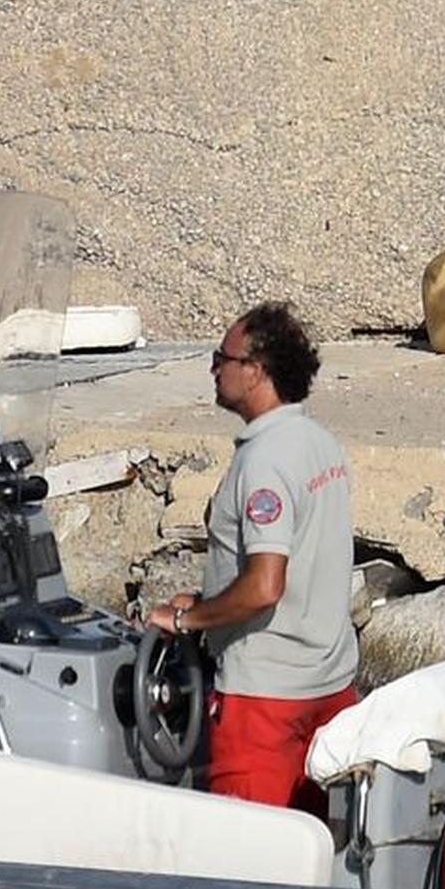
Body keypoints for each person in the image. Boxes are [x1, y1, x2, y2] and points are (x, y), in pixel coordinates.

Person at [147, 302, 358, 813]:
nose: (214, 368)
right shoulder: (319, 444)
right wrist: (209, 595)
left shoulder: (264, 462)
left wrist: (187, 618)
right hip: (331, 683)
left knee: (251, 861)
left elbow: (265, 586)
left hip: (266, 698)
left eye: (223, 357)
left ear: (256, 371)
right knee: (309, 847)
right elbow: (300, 556)